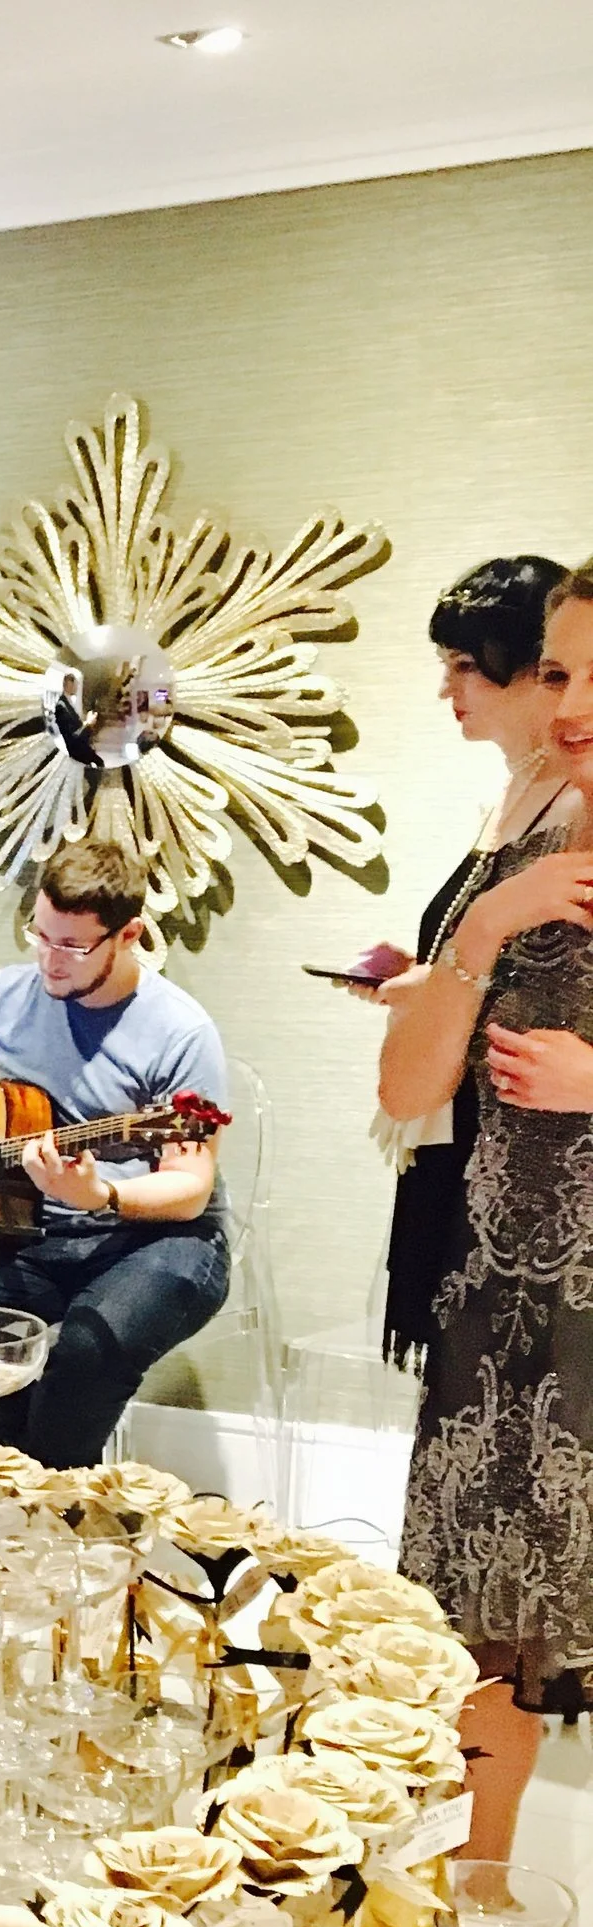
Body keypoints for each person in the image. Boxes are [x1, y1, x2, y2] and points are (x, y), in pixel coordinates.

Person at [382, 562, 593, 1865]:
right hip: (499, 1296)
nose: (573, 703)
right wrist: (488, 930)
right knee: (484, 1624)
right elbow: (410, 1084)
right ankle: (480, 1885)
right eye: (561, 670)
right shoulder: (523, 838)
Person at [0, 835, 230, 1466]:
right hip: (30, 1238)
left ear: (128, 935)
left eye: (72, 946)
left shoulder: (180, 1032)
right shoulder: (7, 996)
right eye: (40, 935)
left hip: (157, 1242)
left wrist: (101, 1194)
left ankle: (56, 1507)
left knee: (88, 1348)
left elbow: (188, 1188)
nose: (50, 960)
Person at [348, 558, 575, 1375]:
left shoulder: (571, 810)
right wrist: (437, 978)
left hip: (542, 1152)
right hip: (478, 1132)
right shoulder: (516, 800)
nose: (451, 689)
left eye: (466, 666)